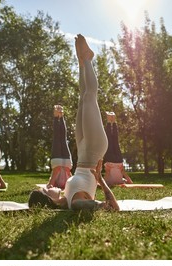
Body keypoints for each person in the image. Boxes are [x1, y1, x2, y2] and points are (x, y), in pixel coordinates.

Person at [29, 34, 119, 211]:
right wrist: (100, 180)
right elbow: (112, 208)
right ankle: (87, 59)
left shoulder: (65, 200)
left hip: (84, 151)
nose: (48, 187)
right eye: (46, 190)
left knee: (82, 99)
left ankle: (81, 64)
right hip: (94, 150)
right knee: (89, 98)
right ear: (48, 200)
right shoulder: (77, 203)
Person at [103, 112, 133, 186]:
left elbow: (103, 182)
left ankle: (110, 121)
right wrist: (123, 172)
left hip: (110, 162)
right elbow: (130, 183)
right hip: (119, 162)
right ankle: (113, 121)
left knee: (109, 140)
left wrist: (108, 172)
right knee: (115, 141)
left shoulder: (109, 183)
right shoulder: (122, 181)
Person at [46, 104, 73, 190]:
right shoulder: (67, 185)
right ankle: (60, 116)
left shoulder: (57, 183)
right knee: (61, 138)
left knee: (59, 138)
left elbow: (50, 185)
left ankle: (58, 116)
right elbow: (69, 174)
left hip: (60, 163)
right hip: (65, 164)